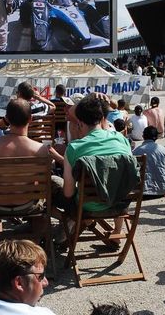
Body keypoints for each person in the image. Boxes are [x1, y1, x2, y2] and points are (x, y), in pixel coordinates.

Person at [0, 98, 63, 235]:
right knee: (46, 198)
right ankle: (36, 241)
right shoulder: (40, 149)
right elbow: (42, 184)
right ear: (31, 119)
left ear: (7, 118)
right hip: (27, 203)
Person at [61, 95, 136, 235]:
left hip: (89, 207)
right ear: (102, 119)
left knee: (58, 189)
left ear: (80, 123)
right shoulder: (121, 138)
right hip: (121, 202)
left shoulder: (74, 148)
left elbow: (68, 193)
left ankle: (67, 234)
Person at [132, 126, 165, 197]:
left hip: (143, 190)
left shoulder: (137, 150)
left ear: (143, 136)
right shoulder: (162, 149)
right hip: (162, 188)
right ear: (156, 137)